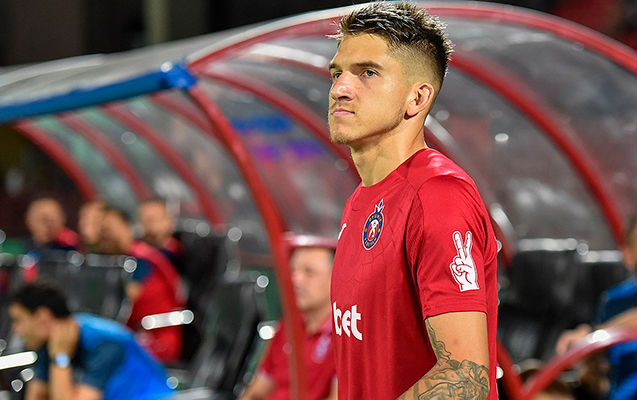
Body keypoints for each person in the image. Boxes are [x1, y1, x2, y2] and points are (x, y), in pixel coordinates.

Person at [327, 3, 498, 400]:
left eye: (367, 73)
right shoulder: (360, 200)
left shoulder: (438, 195)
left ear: (417, 98)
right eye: (337, 73)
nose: (339, 89)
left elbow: (466, 378)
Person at [8, 281, 173, 400]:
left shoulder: (105, 342)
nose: (15, 329)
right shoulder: (49, 343)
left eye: (18, 320)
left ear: (42, 318)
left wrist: (61, 357)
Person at [239, 246, 337, 400]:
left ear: (335, 278)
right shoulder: (287, 326)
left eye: (309, 272)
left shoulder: (345, 336)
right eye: (292, 271)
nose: (295, 280)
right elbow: (257, 390)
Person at [556, 215, 637, 400]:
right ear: (628, 256)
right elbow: (597, 368)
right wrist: (584, 352)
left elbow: (599, 333)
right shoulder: (613, 301)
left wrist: (594, 335)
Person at [100, 207, 184, 364]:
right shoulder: (123, 259)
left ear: (127, 227)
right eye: (103, 231)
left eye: (110, 230)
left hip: (155, 339)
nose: (106, 236)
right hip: (138, 335)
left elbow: (122, 302)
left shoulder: (140, 261)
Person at [24, 196, 81, 281]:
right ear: (28, 219)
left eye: (52, 220)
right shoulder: (17, 252)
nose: (48, 226)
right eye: (43, 219)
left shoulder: (71, 251)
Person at [138, 198, 186, 276]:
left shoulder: (181, 250)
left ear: (169, 220)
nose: (152, 224)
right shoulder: (137, 253)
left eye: (156, 219)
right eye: (147, 220)